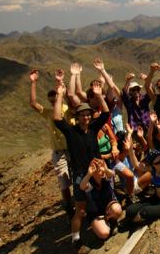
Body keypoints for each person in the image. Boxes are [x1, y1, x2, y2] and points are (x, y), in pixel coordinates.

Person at [53, 80, 110, 249]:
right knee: (80, 210)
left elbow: (106, 113)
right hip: (81, 176)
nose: (85, 117)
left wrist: (99, 95)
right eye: (82, 114)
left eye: (88, 114)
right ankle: (75, 238)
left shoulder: (93, 127)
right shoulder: (71, 131)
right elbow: (57, 118)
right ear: (76, 117)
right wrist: (61, 95)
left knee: (103, 199)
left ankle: (104, 220)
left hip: (98, 173)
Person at [29, 69, 73, 216]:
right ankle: (69, 208)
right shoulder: (48, 113)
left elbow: (66, 94)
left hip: (73, 149)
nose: (53, 100)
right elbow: (33, 103)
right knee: (64, 182)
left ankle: (84, 203)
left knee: (80, 178)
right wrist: (33, 83)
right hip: (59, 153)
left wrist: (60, 81)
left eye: (55, 97)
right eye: (51, 99)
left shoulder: (68, 110)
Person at [122, 120, 160, 227]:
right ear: (153, 165)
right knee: (130, 210)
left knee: (144, 212)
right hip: (157, 199)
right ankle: (132, 218)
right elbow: (136, 165)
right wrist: (130, 149)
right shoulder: (152, 170)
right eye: (158, 161)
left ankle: (130, 224)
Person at [79, 158, 122, 240]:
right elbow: (82, 187)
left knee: (117, 209)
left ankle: (111, 221)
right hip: (96, 213)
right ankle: (104, 224)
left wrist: (105, 169)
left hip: (109, 208)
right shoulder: (90, 183)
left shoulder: (105, 177)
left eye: (100, 166)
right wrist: (89, 174)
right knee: (104, 233)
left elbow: (112, 174)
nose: (100, 170)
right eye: (97, 168)